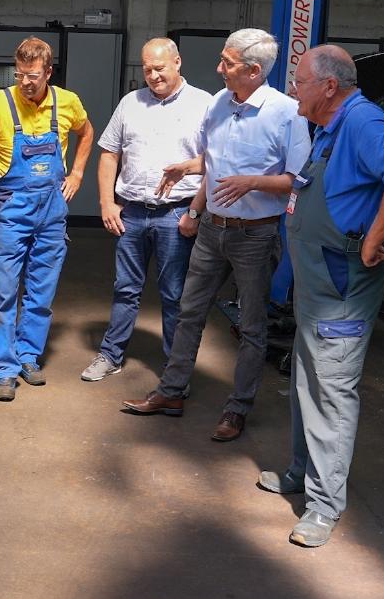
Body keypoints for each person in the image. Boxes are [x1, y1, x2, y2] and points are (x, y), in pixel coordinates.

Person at [259, 45, 384, 547]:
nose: (293, 90)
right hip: (317, 285)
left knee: (331, 389)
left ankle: (324, 505)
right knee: (306, 379)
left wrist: (374, 239)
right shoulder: (329, 128)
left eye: (300, 82)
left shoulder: (362, 122)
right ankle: (301, 470)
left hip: (341, 287)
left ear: (329, 86)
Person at [120, 28, 309, 442]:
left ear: (254, 70)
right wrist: (191, 185)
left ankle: (237, 409)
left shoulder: (287, 113)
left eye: (227, 62)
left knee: (252, 328)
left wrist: (252, 182)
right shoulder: (220, 102)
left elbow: (297, 180)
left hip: (255, 236)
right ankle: (171, 392)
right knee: (189, 312)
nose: (219, 68)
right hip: (211, 230)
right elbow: (214, 162)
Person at [0, 36, 93, 402]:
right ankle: (5, 369)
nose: (25, 82)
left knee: (41, 292)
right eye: (20, 74)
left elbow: (86, 133)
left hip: (52, 212)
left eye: (33, 76)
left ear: (48, 72)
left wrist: (77, 174)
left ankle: (28, 355)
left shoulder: (67, 102)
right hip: (12, 211)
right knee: (6, 292)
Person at [80, 38, 213, 382]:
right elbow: (109, 154)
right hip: (133, 213)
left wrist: (195, 213)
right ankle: (111, 354)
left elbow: (216, 161)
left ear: (178, 62)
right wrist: (107, 202)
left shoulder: (204, 104)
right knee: (125, 288)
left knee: (174, 294)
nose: (153, 76)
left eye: (159, 68)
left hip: (177, 214)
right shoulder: (131, 103)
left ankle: (175, 369)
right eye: (147, 69)